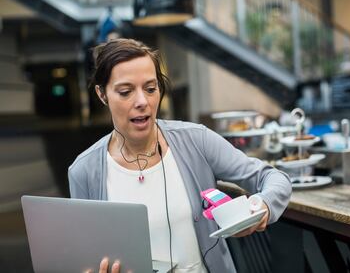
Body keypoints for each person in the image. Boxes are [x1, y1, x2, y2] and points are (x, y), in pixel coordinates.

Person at [68, 38, 292, 273]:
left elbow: (274, 178)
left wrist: (263, 205)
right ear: (102, 94)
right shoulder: (83, 172)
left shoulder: (196, 140)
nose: (142, 101)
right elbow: (88, 257)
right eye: (125, 92)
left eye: (150, 89)